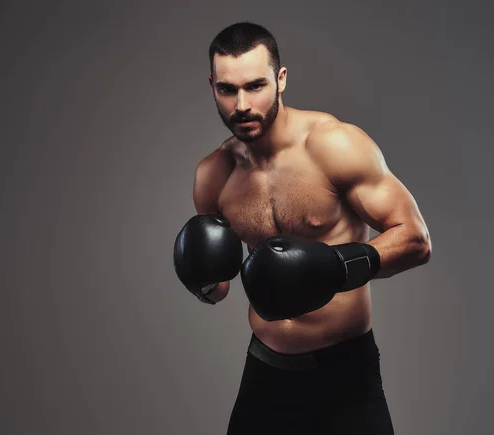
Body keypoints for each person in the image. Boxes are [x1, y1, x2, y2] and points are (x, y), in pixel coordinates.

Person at [173, 22, 432, 435]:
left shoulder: (334, 146)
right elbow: (218, 288)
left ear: (281, 79)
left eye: (255, 85)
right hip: (266, 367)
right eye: (227, 89)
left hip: (344, 372)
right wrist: (201, 280)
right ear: (212, 86)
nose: (242, 104)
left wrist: (334, 267)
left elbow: (416, 240)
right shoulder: (213, 175)